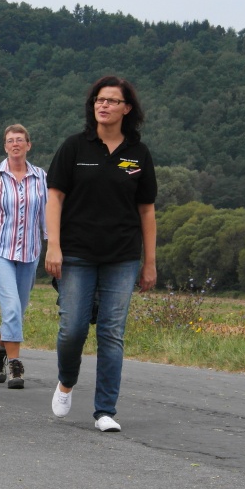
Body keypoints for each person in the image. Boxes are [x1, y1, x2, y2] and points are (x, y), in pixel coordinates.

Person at [45, 76, 157, 433]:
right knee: (72, 329)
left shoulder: (138, 155)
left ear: (127, 108)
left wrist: (149, 262)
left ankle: (105, 410)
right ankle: (66, 381)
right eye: (98, 99)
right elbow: (54, 198)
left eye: (111, 100)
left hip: (122, 256)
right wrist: (53, 245)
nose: (103, 105)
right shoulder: (75, 147)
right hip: (76, 251)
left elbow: (147, 210)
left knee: (111, 332)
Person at [0, 124, 49, 390]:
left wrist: (56, 250)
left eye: (20, 140)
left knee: (18, 314)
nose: (15, 144)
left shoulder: (40, 177)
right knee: (12, 309)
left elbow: (46, 219)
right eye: (10, 141)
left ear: (29, 145)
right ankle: (15, 365)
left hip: (30, 253)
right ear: (5, 147)